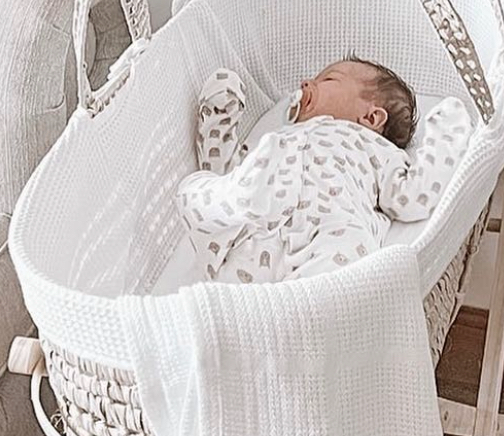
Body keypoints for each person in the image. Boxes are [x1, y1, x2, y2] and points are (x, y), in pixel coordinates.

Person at [177, 57, 471, 284]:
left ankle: (308, 317)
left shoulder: (378, 150)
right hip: (259, 228)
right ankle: (222, 321)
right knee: (195, 191)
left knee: (347, 258)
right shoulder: (280, 138)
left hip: (330, 225)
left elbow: (413, 197)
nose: (306, 83)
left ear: (370, 116)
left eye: (327, 79)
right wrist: (221, 116)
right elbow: (227, 176)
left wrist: (447, 131)